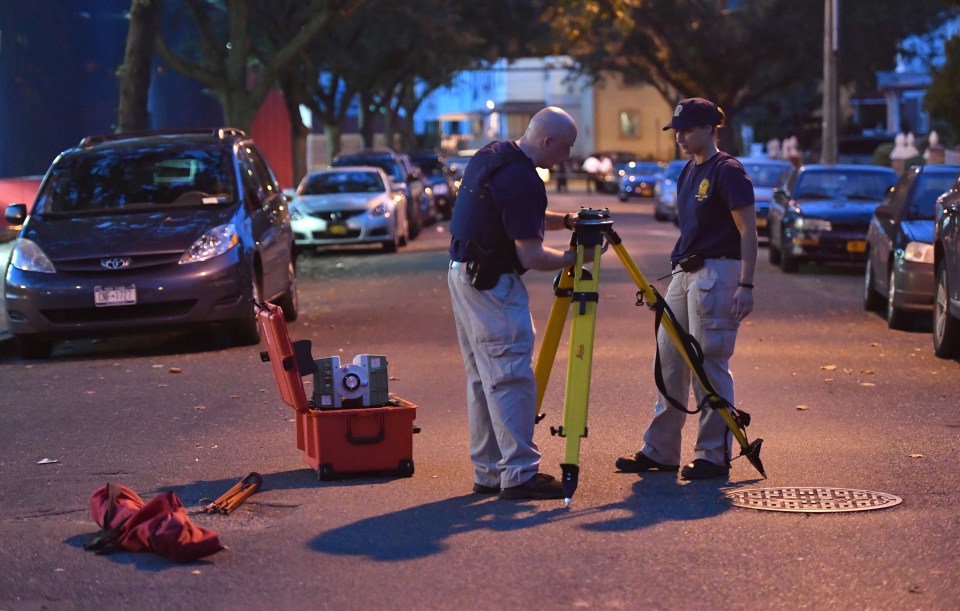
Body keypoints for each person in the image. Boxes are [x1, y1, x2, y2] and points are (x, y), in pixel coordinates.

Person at [447, 106, 587, 500]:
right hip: (492, 286)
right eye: (565, 148)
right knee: (510, 377)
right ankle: (520, 474)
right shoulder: (524, 180)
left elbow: (517, 216)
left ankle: (490, 471)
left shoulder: (492, 155)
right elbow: (531, 255)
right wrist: (576, 259)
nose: (567, 157)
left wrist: (568, 220)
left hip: (464, 274)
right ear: (547, 142)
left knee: (483, 379)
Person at [616, 97, 757, 480]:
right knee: (669, 358)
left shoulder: (728, 171)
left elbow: (748, 231)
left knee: (708, 362)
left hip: (719, 273)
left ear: (711, 129)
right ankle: (660, 451)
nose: (681, 136)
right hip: (685, 271)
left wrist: (746, 283)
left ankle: (713, 454)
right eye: (677, 130)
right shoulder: (686, 172)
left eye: (689, 129)